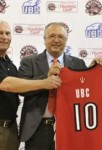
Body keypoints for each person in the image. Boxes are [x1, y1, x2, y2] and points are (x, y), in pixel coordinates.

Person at [18, 22, 88, 150]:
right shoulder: (29, 62)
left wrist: (95, 70)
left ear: (66, 40)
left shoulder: (78, 63)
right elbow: (22, 89)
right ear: (44, 39)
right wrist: (46, 77)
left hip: (70, 127)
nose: (56, 40)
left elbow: (86, 93)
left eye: (61, 37)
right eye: (51, 36)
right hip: (37, 129)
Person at [0, 20, 61, 150]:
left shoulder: (9, 64)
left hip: (10, 128)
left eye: (7, 33)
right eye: (0, 33)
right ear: (44, 39)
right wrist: (45, 81)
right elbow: (6, 84)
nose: (4, 37)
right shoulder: (28, 62)